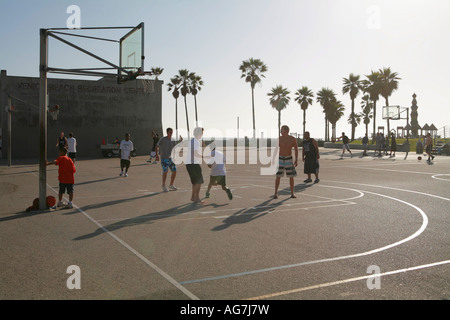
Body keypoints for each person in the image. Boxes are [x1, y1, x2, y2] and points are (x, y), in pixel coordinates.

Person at [274, 125, 298, 199]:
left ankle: (292, 193)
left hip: (288, 159)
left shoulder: (292, 139)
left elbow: (296, 149)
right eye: (281, 131)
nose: (281, 132)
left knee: (291, 176)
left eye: (282, 131)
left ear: (287, 131)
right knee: (278, 176)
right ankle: (275, 193)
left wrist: (296, 159)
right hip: (281, 158)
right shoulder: (280, 139)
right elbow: (276, 149)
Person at [155, 128, 182, 192]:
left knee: (174, 171)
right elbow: (157, 146)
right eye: (170, 132)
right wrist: (156, 155)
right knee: (165, 171)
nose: (171, 133)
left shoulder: (173, 140)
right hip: (164, 158)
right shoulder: (163, 139)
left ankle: (171, 185)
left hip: (171, 159)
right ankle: (163, 185)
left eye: (171, 132)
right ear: (167, 132)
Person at [186, 127, 205, 204]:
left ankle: (193, 197)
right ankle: (197, 197)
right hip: (193, 163)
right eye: (202, 133)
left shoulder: (192, 141)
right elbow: (195, 153)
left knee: (195, 182)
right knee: (199, 181)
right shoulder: (196, 142)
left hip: (189, 163)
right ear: (199, 133)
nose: (202, 135)